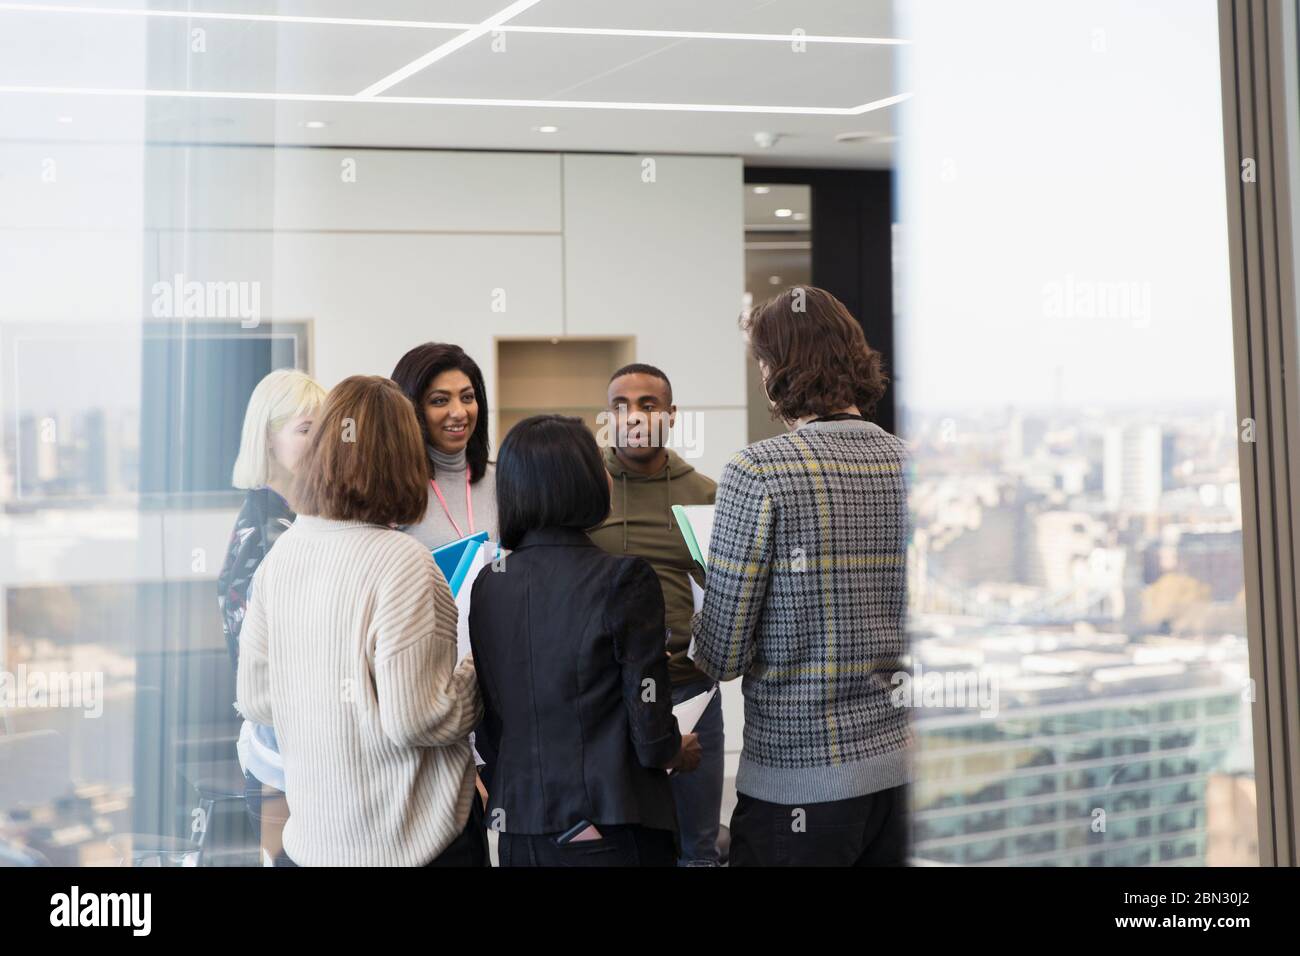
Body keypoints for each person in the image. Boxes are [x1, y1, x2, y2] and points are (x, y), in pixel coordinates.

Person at [691, 286, 911, 867]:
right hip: (902, 774)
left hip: (799, 784)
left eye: (762, 360)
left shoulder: (758, 471)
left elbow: (722, 654)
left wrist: (706, 598)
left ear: (778, 369)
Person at [236, 375, 484, 867]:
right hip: (412, 842)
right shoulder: (404, 561)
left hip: (318, 843)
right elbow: (421, 717)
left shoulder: (280, 556)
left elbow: (256, 697)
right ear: (405, 459)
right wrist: (478, 668)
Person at [470, 415, 702, 867]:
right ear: (582, 481)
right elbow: (651, 731)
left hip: (520, 828)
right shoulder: (623, 578)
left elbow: (491, 722)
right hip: (609, 824)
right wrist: (679, 749)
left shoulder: (489, 583)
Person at [588, 363, 724, 866]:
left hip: (689, 691)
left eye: (648, 404)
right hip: (606, 694)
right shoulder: (587, 487)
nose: (635, 416)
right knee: (616, 849)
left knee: (697, 851)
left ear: (671, 415)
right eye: (621, 406)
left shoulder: (705, 493)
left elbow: (728, 592)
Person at [217, 367, 325, 866]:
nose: (322, 441)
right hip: (281, 752)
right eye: (306, 429)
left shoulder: (297, 520)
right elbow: (262, 670)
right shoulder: (265, 534)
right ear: (268, 438)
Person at [391, 343, 498, 549]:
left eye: (467, 397)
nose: (459, 412)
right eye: (440, 401)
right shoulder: (392, 490)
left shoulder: (504, 481)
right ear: (410, 409)